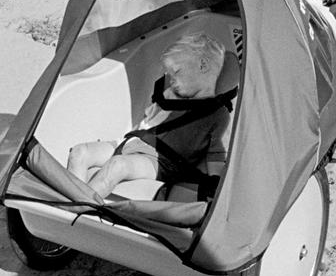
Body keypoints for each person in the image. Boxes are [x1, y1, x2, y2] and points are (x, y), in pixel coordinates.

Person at [67, 32, 229, 198]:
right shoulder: (170, 97)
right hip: (131, 142)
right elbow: (147, 122)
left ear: (202, 66)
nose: (172, 80)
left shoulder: (217, 113)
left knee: (117, 165)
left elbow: (216, 156)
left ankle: (78, 207)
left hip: (159, 161)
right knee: (79, 152)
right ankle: (68, 202)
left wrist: (215, 188)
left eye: (177, 72)